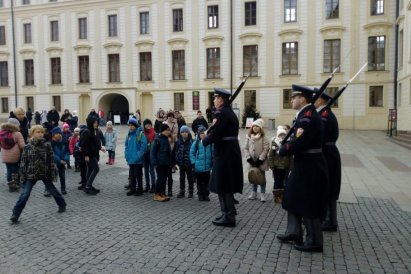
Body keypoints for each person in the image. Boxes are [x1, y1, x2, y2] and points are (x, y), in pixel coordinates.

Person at [276, 85, 329, 252]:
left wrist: (282, 150)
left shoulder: (307, 117)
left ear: (303, 99)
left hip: (309, 165)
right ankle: (294, 231)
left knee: (308, 201)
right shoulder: (305, 115)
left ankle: (314, 241)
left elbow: (300, 142)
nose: (291, 99)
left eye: (294, 97)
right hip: (303, 164)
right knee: (291, 197)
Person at [202, 88, 243, 227]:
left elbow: (217, 133)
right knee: (223, 184)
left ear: (221, 99)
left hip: (226, 153)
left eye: (215, 98)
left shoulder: (223, 113)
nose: (214, 100)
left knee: (224, 184)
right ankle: (226, 212)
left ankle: (229, 216)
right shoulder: (226, 112)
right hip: (227, 151)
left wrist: (204, 140)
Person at [9, 125, 66, 224]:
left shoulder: (47, 145)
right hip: (31, 174)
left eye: (41, 132)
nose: (40, 134)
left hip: (45, 172)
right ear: (32, 134)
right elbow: (23, 162)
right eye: (38, 132)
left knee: (53, 190)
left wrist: (52, 172)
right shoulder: (27, 147)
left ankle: (62, 204)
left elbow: (51, 160)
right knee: (24, 195)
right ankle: (15, 214)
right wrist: (22, 176)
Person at [314, 92, 341, 232]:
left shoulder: (324, 115)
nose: (314, 100)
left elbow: (319, 135)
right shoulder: (324, 113)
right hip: (328, 152)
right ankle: (329, 219)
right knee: (328, 186)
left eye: (316, 98)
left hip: (327, 153)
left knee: (328, 186)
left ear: (320, 100)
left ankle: (330, 221)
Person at [244, 118, 269, 202]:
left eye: (257, 126)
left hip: (261, 162)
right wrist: (249, 158)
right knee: (253, 177)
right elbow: (246, 148)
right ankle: (254, 192)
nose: (255, 127)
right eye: (254, 126)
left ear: (260, 128)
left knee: (261, 177)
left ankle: (262, 193)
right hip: (252, 161)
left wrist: (260, 159)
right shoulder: (248, 136)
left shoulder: (263, 137)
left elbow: (266, 148)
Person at [80, 115, 105, 195]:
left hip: (94, 153)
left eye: (97, 122)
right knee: (96, 169)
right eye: (95, 122)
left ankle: (88, 186)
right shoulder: (86, 132)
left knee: (90, 169)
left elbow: (95, 142)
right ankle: (87, 186)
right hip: (89, 155)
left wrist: (100, 147)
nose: (96, 124)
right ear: (91, 123)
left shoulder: (95, 130)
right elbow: (84, 145)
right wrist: (86, 155)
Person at [268, 125, 292, 204]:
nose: (282, 136)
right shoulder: (275, 143)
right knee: (277, 181)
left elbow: (290, 156)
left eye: (284, 135)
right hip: (276, 166)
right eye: (280, 135)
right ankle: (276, 196)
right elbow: (271, 156)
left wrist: (291, 166)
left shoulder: (288, 144)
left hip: (285, 166)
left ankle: (281, 195)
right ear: (278, 135)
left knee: (283, 181)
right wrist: (271, 165)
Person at [0, 118, 25, 192]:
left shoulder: (2, 132)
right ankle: (16, 183)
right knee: (15, 170)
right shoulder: (17, 133)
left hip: (5, 155)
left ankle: (11, 187)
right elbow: (22, 146)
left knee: (9, 170)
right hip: (15, 155)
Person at [124, 118, 147, 196]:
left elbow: (143, 147)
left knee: (138, 176)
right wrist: (126, 155)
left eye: (132, 125)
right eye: (129, 125)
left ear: (135, 126)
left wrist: (138, 156)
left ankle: (139, 189)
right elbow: (126, 146)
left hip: (138, 160)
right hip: (130, 160)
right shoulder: (128, 135)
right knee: (132, 176)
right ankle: (133, 189)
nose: (130, 127)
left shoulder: (140, 134)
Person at [190, 125, 213, 201]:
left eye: (204, 133)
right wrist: (193, 163)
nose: (203, 134)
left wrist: (212, 162)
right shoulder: (196, 143)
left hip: (207, 167)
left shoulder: (210, 143)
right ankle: (200, 194)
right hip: (198, 168)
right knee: (199, 183)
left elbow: (213, 153)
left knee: (207, 182)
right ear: (198, 134)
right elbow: (192, 154)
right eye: (201, 133)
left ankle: (206, 194)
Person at [150, 123, 172, 202]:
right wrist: (154, 163)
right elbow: (152, 153)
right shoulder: (157, 140)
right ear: (161, 131)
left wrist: (170, 162)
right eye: (166, 130)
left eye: (168, 130)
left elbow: (168, 152)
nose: (167, 132)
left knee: (164, 179)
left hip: (166, 163)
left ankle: (162, 193)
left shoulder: (166, 139)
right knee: (160, 178)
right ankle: (156, 194)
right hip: (159, 164)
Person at [175, 125, 194, 198]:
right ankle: (182, 191)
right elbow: (176, 151)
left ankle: (191, 191)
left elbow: (193, 152)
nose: (184, 133)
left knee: (190, 178)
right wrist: (177, 159)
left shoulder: (191, 141)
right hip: (181, 163)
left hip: (189, 163)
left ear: (188, 133)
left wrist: (192, 161)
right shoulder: (178, 142)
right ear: (180, 133)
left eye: (186, 132)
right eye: (183, 132)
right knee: (182, 178)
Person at [50, 127, 69, 195]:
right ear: (53, 135)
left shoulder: (64, 142)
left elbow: (67, 151)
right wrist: (59, 160)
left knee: (62, 176)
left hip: (62, 163)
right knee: (50, 177)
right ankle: (48, 189)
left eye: (59, 133)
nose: (58, 135)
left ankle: (63, 188)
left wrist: (66, 159)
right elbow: (52, 153)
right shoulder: (51, 143)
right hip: (54, 163)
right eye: (56, 133)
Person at [143, 119, 156, 193]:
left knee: (152, 170)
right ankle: (147, 185)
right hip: (145, 154)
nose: (148, 125)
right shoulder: (142, 133)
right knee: (146, 170)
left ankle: (153, 185)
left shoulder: (154, 133)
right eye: (146, 124)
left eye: (149, 124)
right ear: (144, 125)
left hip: (151, 154)